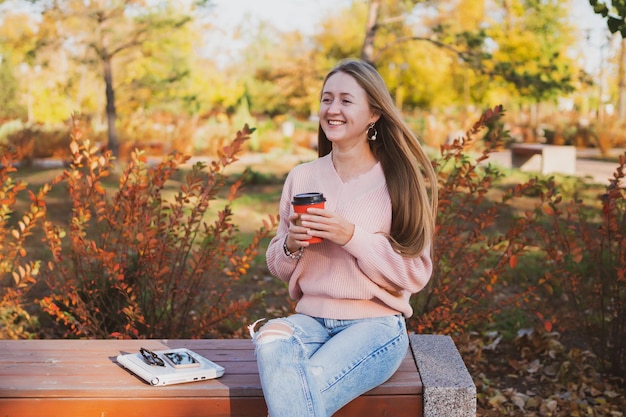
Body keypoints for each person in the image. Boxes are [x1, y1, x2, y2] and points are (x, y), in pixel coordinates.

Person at [250, 58, 438, 417]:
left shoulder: (399, 181)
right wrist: (291, 244)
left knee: (299, 392)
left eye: (346, 101)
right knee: (271, 336)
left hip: (375, 326)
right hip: (309, 321)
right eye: (326, 99)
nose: (332, 109)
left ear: (373, 114)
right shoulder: (301, 178)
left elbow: (415, 273)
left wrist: (351, 236)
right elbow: (278, 266)